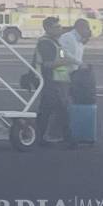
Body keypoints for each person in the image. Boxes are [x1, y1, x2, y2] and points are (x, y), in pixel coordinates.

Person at [33, 17, 71, 146]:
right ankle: (68, 138)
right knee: (60, 110)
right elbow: (47, 64)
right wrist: (65, 62)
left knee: (47, 110)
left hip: (57, 81)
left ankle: (39, 137)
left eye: (59, 26)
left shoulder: (55, 42)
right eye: (56, 27)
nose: (60, 29)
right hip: (49, 81)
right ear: (47, 28)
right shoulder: (46, 43)